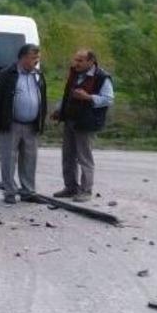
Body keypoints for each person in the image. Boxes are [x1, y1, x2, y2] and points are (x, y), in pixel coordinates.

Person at [50, 49, 114, 202]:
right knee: (68, 156)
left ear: (91, 62)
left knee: (84, 157)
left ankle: (86, 190)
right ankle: (70, 187)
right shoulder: (75, 74)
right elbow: (67, 94)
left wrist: (88, 97)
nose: (76, 63)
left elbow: (108, 99)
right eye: (75, 60)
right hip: (70, 120)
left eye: (80, 60)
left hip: (87, 122)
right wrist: (60, 110)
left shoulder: (101, 77)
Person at [0, 44, 47, 204]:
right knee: (8, 158)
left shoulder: (38, 75)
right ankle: (10, 191)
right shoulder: (7, 74)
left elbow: (43, 99)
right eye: (33, 58)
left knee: (29, 159)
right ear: (23, 58)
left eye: (37, 58)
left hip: (31, 124)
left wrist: (41, 121)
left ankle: (28, 191)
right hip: (10, 124)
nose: (36, 61)